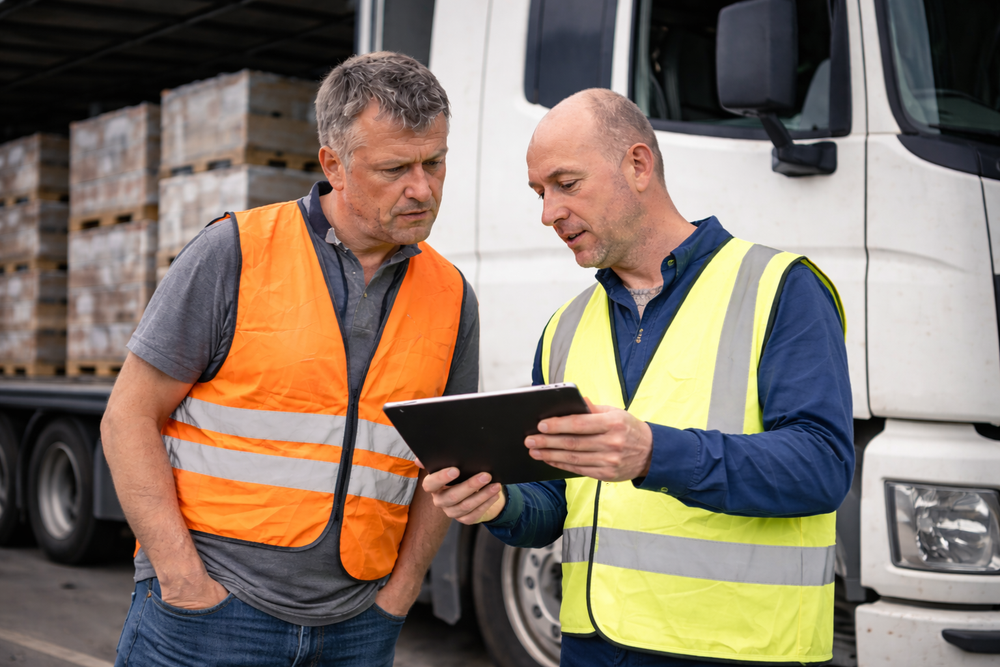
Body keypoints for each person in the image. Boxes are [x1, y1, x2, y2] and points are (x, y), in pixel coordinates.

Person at [424, 89, 854, 666]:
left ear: (638, 165)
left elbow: (822, 467)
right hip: (592, 648)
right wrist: (497, 505)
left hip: (737, 651)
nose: (549, 213)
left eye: (566, 184)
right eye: (540, 193)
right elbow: (554, 504)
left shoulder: (781, 288)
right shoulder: (565, 327)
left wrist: (654, 454)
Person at [101, 52, 479, 667]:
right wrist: (183, 581)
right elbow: (128, 417)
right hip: (211, 615)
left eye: (434, 162)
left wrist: (401, 593)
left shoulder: (452, 295)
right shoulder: (233, 253)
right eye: (395, 169)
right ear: (334, 165)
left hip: (359, 627)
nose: (423, 188)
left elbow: (448, 459)